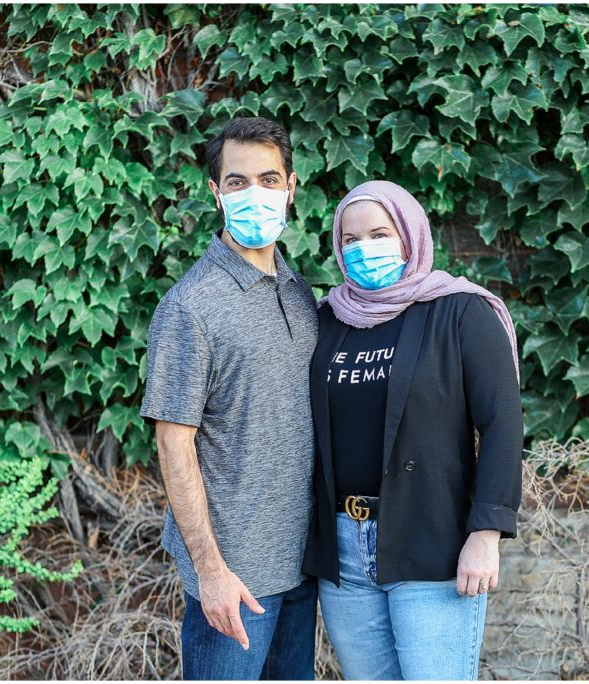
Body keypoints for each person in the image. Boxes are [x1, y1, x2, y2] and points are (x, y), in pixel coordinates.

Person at [301, 179, 524, 680]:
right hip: (343, 551)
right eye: (350, 240)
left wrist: (486, 533)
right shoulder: (327, 320)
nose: (363, 249)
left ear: (409, 235)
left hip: (433, 542)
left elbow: (502, 424)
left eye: (379, 233)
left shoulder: (462, 311)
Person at [140, 116, 319, 680]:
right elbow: (173, 445)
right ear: (216, 193)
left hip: (302, 563)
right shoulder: (190, 307)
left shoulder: (300, 291)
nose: (255, 194)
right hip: (235, 577)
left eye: (269, 180)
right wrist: (211, 571)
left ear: (291, 188)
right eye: (237, 182)